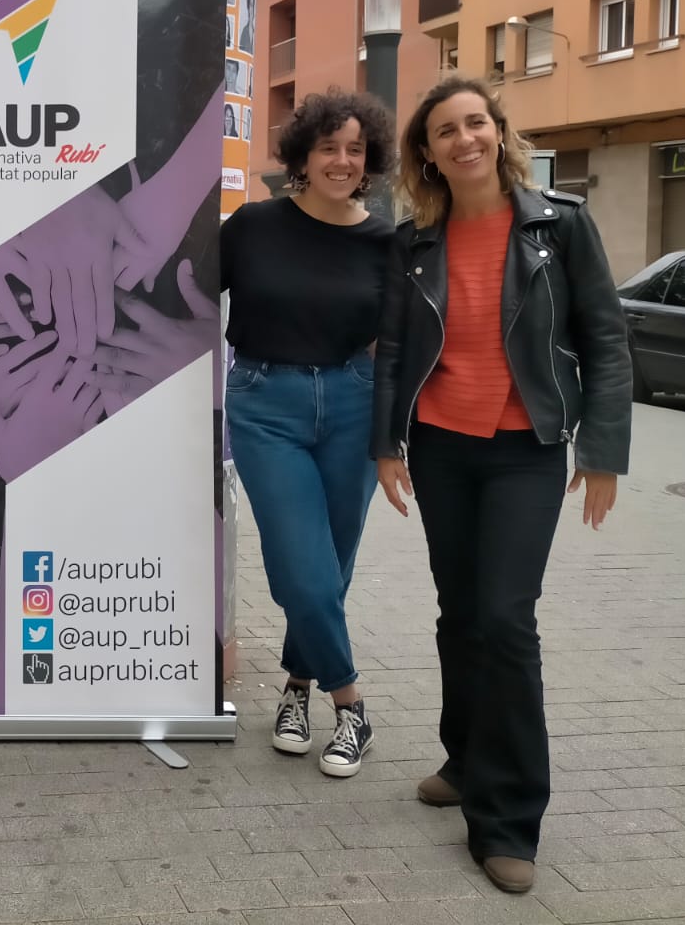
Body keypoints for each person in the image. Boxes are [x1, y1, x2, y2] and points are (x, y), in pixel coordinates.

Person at [373, 75, 631, 895]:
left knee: (505, 621)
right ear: (429, 154)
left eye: (475, 123)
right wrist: (388, 445)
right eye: (445, 131)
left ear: (498, 132)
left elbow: (606, 339)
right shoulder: (414, 241)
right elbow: (391, 352)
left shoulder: (561, 226)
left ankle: (509, 817)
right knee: (459, 614)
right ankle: (464, 756)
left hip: (527, 451)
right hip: (445, 449)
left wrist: (603, 451)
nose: (464, 140)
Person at [218, 90, 395, 778]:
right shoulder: (253, 226)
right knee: (301, 566)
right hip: (265, 404)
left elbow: (401, 341)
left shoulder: (387, 243)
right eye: (329, 147)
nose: (342, 160)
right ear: (302, 155)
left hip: (353, 404)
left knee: (333, 563)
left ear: (369, 159)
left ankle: (297, 689)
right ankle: (352, 705)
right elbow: (183, 292)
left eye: (355, 149)